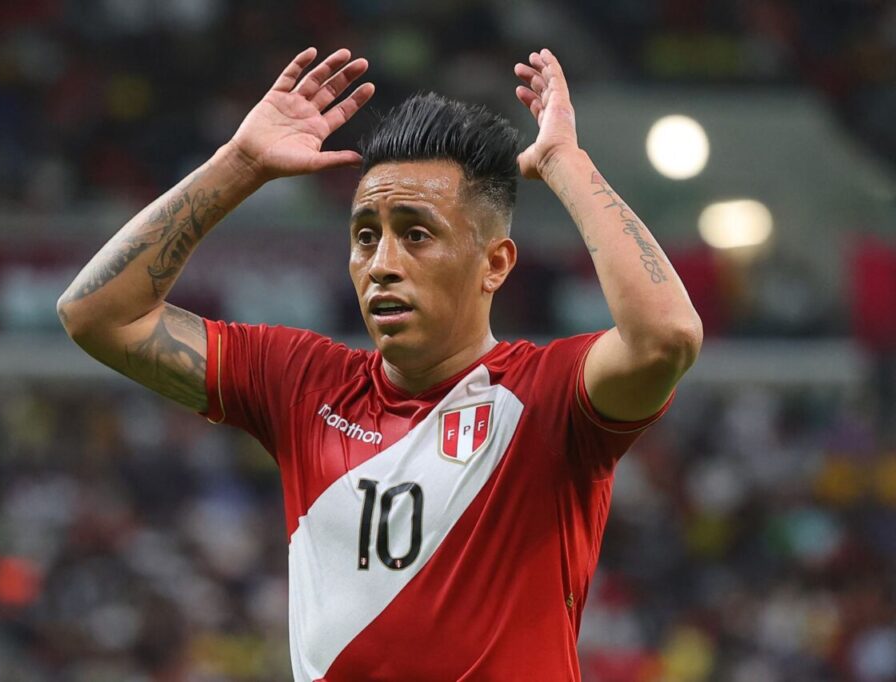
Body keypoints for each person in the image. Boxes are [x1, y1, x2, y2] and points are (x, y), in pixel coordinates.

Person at [58, 46, 702, 681]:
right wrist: (240, 164)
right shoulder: (301, 383)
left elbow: (666, 336)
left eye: (416, 234)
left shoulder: (548, 396)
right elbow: (97, 314)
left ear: (495, 264)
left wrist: (566, 163)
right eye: (366, 235)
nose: (382, 264)